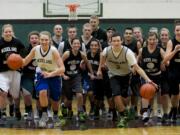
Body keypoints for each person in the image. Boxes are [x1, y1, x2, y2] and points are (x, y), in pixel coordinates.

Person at [97, 33, 155, 128]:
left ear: (121, 41)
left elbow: (137, 68)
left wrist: (148, 79)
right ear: (110, 42)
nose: (116, 43)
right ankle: (124, 115)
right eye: (114, 41)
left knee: (124, 99)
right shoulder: (106, 51)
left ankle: (124, 110)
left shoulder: (128, 52)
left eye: (118, 41)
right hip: (113, 75)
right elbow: (102, 58)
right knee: (116, 94)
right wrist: (100, 69)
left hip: (126, 75)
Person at [23, 31, 65, 127]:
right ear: (39, 40)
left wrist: (51, 74)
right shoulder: (35, 49)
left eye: (46, 40)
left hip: (54, 75)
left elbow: (62, 69)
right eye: (42, 39)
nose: (44, 41)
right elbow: (25, 61)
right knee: (42, 91)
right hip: (41, 74)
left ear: (50, 40)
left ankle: (55, 115)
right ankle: (44, 114)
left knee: (55, 99)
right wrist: (15, 61)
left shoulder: (54, 51)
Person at [62, 37, 94, 122]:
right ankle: (65, 107)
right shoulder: (67, 53)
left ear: (80, 45)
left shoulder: (82, 54)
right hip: (67, 77)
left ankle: (80, 112)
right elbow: (59, 63)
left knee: (79, 95)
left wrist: (92, 73)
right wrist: (62, 75)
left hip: (77, 76)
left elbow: (87, 63)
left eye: (78, 43)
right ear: (71, 45)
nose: (76, 45)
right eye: (74, 43)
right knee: (68, 99)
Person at [137, 32, 165, 122]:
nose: (152, 41)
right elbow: (137, 60)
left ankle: (159, 110)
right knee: (145, 93)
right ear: (147, 40)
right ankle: (145, 112)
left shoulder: (160, 50)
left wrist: (164, 64)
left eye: (154, 39)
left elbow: (166, 61)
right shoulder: (142, 50)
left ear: (157, 40)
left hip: (157, 75)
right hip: (146, 76)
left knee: (159, 93)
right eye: (150, 39)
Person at [0, 24, 25, 121]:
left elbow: (23, 53)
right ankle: (2, 113)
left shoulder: (17, 42)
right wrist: (6, 62)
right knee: (3, 93)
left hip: (15, 71)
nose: (8, 33)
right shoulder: (0, 43)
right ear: (3, 33)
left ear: (12, 32)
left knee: (15, 94)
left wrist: (20, 61)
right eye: (6, 32)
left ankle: (17, 109)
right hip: (2, 72)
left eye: (10, 31)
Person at [163, 21, 180, 123]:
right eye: (177, 30)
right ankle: (174, 109)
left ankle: (176, 110)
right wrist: (175, 51)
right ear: (174, 31)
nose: (179, 32)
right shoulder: (171, 42)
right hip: (174, 70)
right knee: (175, 93)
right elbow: (165, 60)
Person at [21, 31, 40, 121]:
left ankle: (40, 112)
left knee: (40, 95)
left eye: (36, 38)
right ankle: (29, 111)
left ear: (39, 40)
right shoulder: (25, 50)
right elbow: (21, 64)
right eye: (32, 38)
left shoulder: (43, 50)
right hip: (27, 75)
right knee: (27, 94)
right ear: (29, 40)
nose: (34, 40)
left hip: (40, 76)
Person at [158, 28, 170, 123]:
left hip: (174, 72)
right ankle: (165, 113)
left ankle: (175, 110)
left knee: (176, 93)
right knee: (164, 94)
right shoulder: (157, 47)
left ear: (168, 36)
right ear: (160, 36)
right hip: (162, 74)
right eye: (162, 35)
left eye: (166, 35)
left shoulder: (173, 45)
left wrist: (163, 62)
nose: (164, 37)